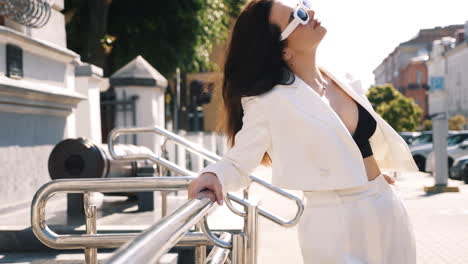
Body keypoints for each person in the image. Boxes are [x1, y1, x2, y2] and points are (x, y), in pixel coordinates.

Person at [188, 0, 418, 263]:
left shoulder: (341, 78)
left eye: (303, 5)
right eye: (298, 15)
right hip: (335, 222)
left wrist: (373, 179)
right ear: (283, 50)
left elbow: (357, 144)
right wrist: (212, 175)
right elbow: (239, 161)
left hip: (385, 206)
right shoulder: (267, 101)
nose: (310, 12)